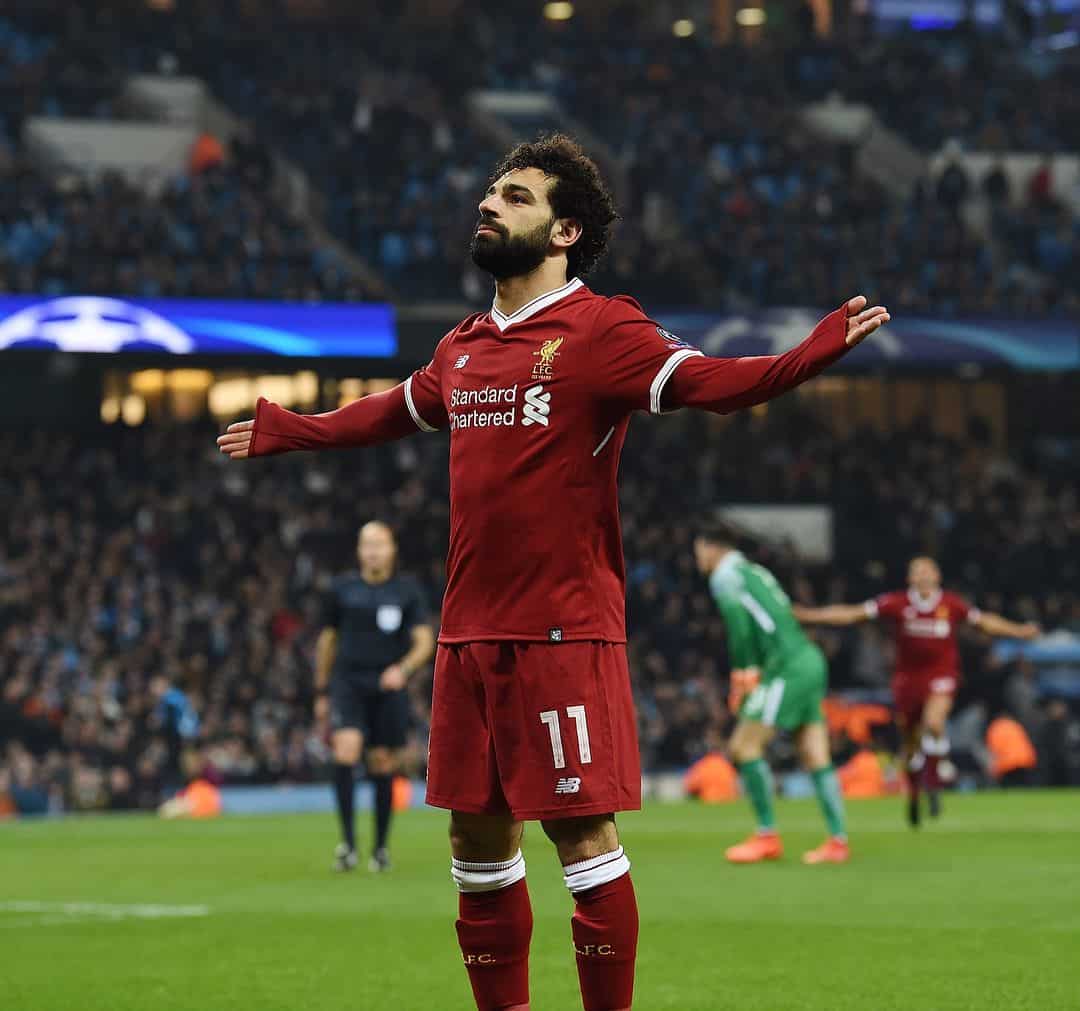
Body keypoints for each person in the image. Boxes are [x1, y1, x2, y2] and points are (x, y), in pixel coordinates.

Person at [218, 134, 889, 1011]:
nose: (490, 204)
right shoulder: (462, 348)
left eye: (516, 197)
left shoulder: (603, 328)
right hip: (466, 636)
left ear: (565, 229)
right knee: (476, 843)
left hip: (561, 631)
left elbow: (716, 383)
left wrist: (807, 354)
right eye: (491, 193)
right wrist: (291, 427)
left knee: (581, 834)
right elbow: (392, 411)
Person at [794, 557, 1039, 827]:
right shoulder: (897, 603)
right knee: (910, 748)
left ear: (937, 577)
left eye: (928, 571)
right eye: (917, 572)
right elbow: (853, 613)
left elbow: (984, 622)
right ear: (910, 578)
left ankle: (935, 775)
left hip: (941, 675)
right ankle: (914, 792)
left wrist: (1018, 631)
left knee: (934, 722)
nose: (923, 576)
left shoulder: (950, 604)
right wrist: (811, 615)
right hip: (907, 681)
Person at [693, 522, 850, 865]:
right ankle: (838, 842)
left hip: (787, 667)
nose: (698, 559)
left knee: (743, 747)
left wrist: (743, 672)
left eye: (699, 550)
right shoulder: (757, 572)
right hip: (809, 659)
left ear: (712, 547)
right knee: (814, 755)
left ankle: (767, 836)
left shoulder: (724, 575)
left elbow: (737, 621)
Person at [315, 521, 435, 873]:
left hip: (388, 687)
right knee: (346, 750)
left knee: (383, 762)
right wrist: (321, 688)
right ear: (358, 550)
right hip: (348, 683)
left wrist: (404, 668)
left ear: (392, 549)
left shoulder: (407, 591)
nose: (373, 551)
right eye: (367, 544)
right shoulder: (342, 590)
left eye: (379, 544)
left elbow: (424, 640)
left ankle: (380, 848)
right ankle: (348, 845)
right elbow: (328, 640)